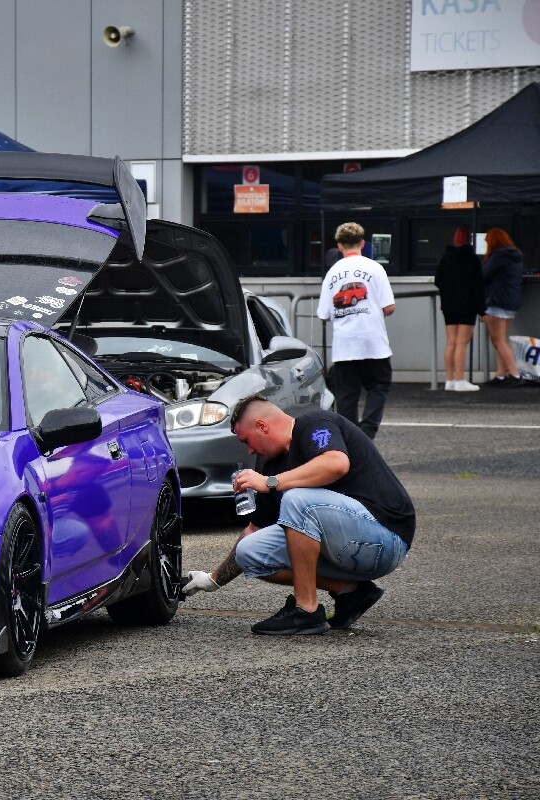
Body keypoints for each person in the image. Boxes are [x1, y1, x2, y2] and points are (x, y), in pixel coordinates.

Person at [181, 395, 415, 635]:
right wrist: (213, 579)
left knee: (297, 498)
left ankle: (306, 609)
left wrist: (271, 483)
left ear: (262, 426)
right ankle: (351, 591)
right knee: (248, 551)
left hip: (386, 539)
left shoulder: (314, 423)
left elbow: (336, 464)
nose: (249, 449)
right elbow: (254, 530)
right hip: (346, 549)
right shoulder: (271, 467)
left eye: (246, 440)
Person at [317, 222, 396, 439]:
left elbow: (323, 314)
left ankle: (351, 438)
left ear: (340, 246)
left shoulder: (332, 273)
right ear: (362, 243)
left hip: (345, 345)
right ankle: (368, 431)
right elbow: (389, 306)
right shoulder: (375, 268)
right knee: (379, 386)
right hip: (374, 342)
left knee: (347, 394)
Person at [433, 226, 484, 391]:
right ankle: (461, 380)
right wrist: (482, 309)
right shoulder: (472, 259)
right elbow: (479, 286)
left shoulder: (446, 257)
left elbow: (438, 279)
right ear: (469, 239)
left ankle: (450, 380)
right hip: (467, 305)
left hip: (449, 305)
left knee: (451, 342)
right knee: (462, 343)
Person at [480, 228, 525, 388]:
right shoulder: (515, 256)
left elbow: (483, 275)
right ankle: (501, 375)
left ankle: (513, 374)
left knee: (498, 340)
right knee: (501, 340)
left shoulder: (498, 257)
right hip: (510, 302)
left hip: (496, 301)